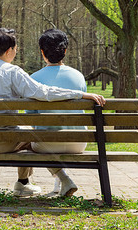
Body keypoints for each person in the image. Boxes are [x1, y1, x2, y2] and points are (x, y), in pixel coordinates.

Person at [0, 28, 105, 197]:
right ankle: (46, 181)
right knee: (33, 134)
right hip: (0, 142)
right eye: (15, 50)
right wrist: (78, 94)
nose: (16, 53)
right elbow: (43, 92)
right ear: (9, 50)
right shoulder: (11, 72)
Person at [28, 28, 88, 197]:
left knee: (30, 140)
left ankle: (60, 179)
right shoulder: (78, 76)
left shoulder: (33, 78)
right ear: (65, 51)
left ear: (42, 52)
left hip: (47, 145)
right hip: (78, 143)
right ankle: (60, 182)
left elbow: (31, 117)